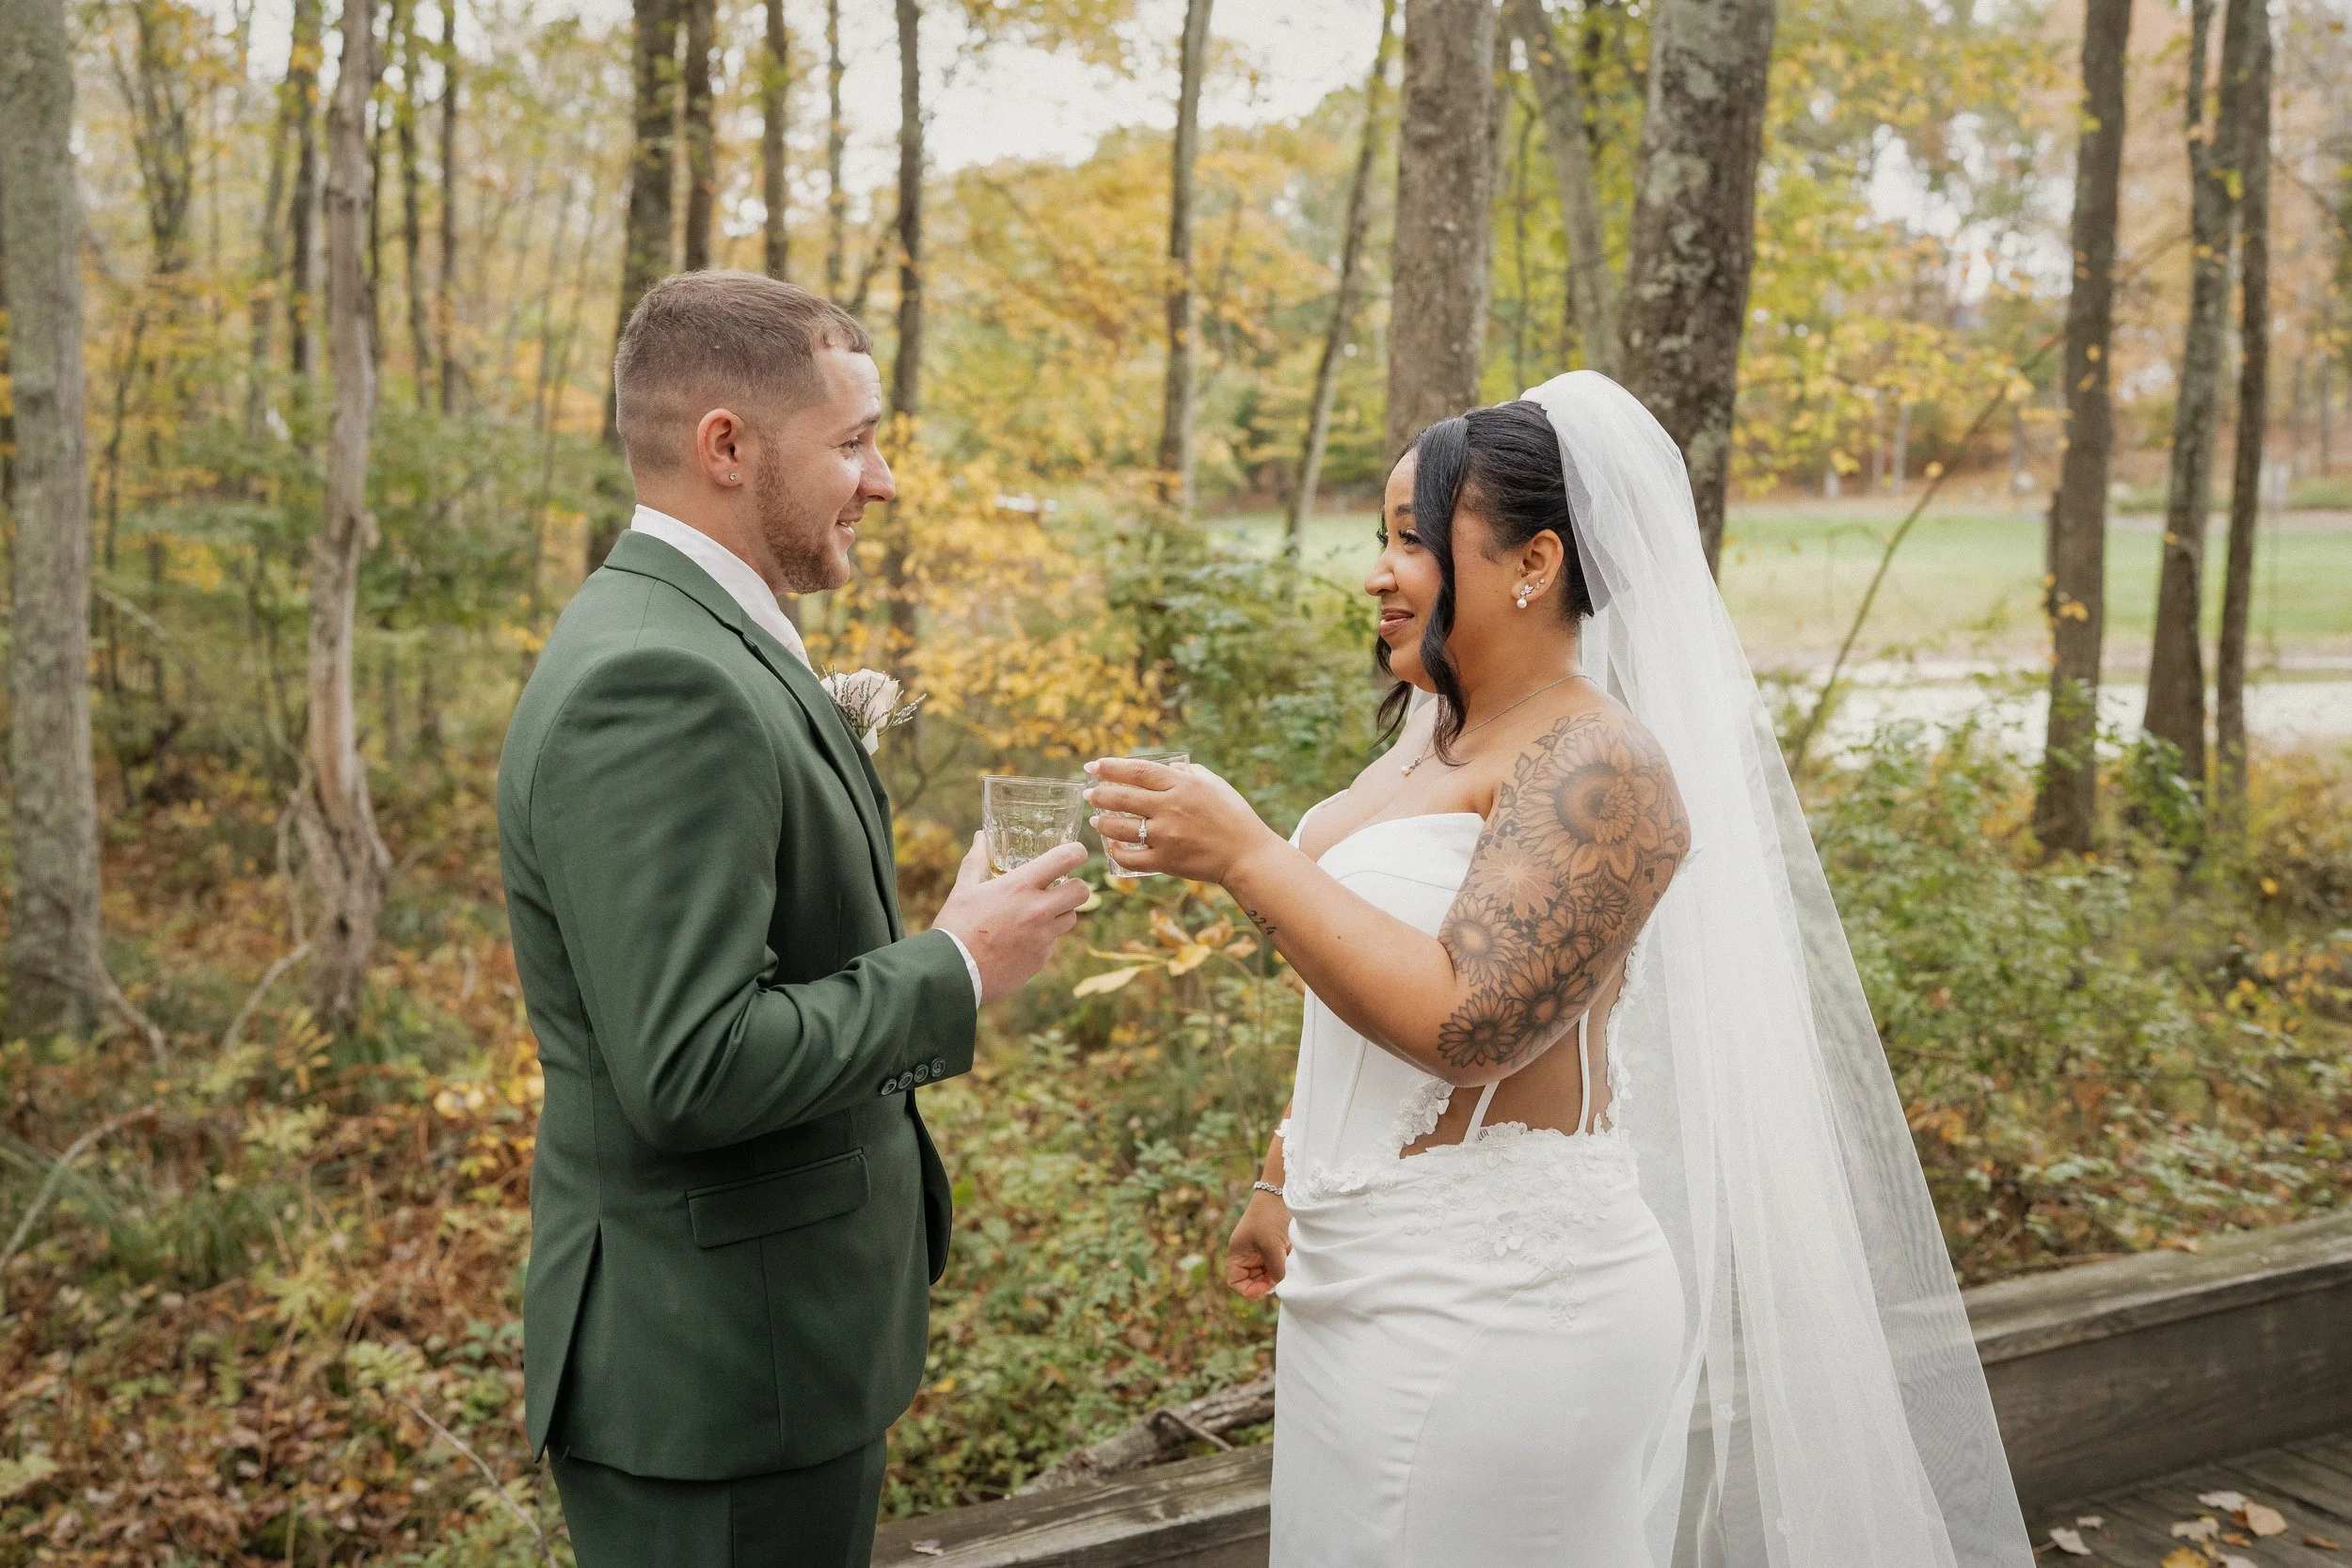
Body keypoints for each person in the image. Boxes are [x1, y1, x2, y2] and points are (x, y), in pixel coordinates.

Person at [1085, 374, 2035, 1567]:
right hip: (1357, 1274)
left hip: (1501, 1309)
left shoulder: (1601, 761)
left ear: (1533, 562)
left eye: (1412, 539)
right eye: (1379, 538)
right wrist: (1287, 1173)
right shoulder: (1429, 736)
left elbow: (1473, 1023)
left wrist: (1244, 855)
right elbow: (1363, 985)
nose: (1379, 570)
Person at [496, 270, 1089, 1568]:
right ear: (726, 446)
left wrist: (938, 928)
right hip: (712, 1380)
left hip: (766, 1355)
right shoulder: (657, 678)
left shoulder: (699, 636)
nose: (883, 481)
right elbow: (692, 1065)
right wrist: (957, 967)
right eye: (857, 440)